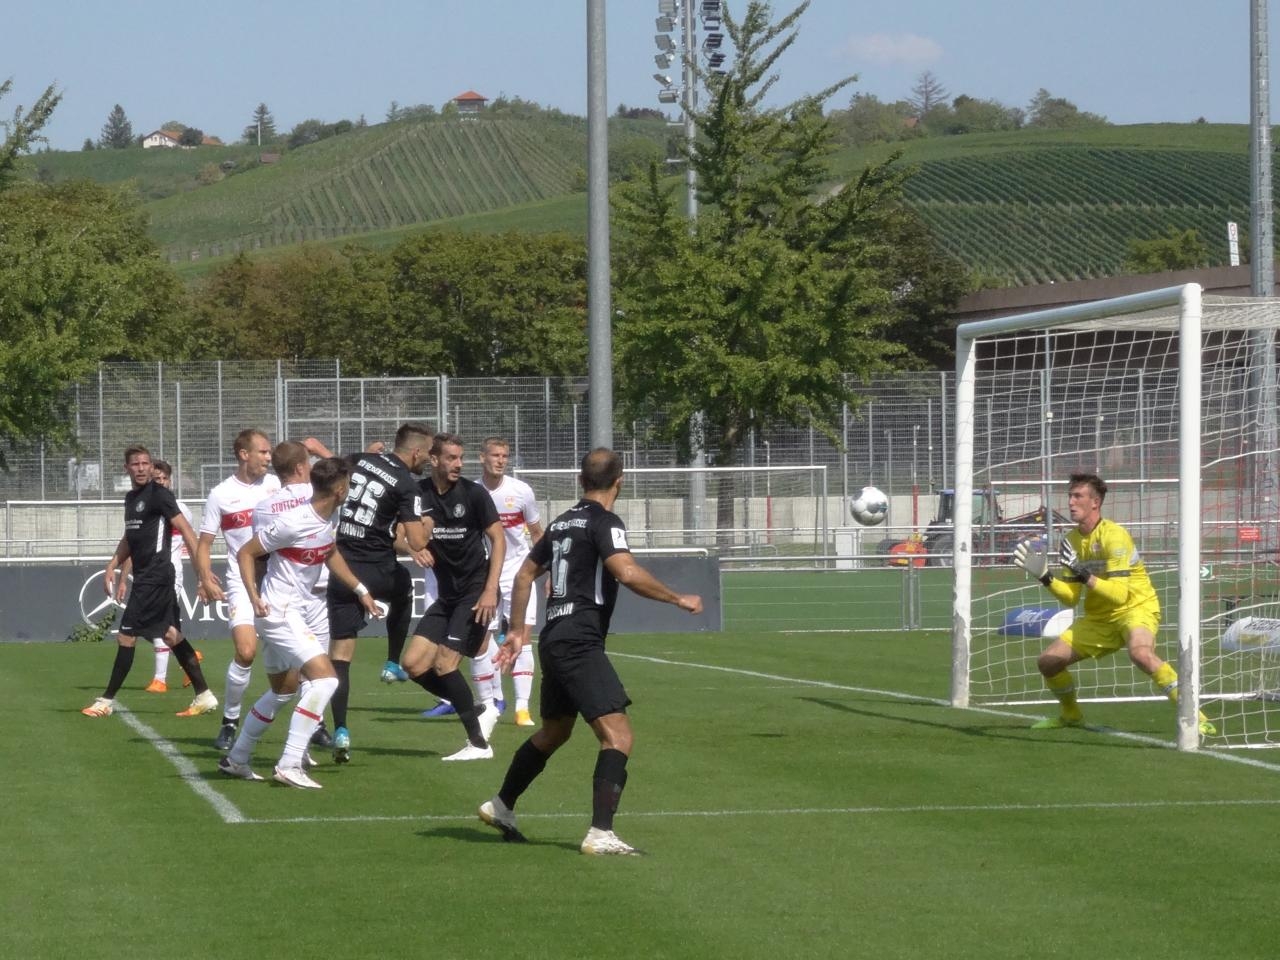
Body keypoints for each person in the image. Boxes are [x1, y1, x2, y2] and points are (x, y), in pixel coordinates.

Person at [477, 448, 703, 855]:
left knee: (555, 732)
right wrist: (676, 598)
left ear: (581, 481)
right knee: (618, 736)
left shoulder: (561, 523)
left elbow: (525, 575)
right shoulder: (605, 522)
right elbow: (626, 571)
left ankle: (501, 805)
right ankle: (601, 834)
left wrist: (517, 631)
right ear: (620, 481)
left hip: (555, 637)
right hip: (579, 641)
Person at [1013, 472, 1216, 736]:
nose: (1071, 502)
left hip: (1135, 608)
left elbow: (1120, 595)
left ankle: (1196, 716)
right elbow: (1071, 598)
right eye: (1070, 496)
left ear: (1095, 502)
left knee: (1141, 653)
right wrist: (1045, 577)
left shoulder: (1115, 536)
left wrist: (1083, 573)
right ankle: (1071, 716)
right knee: (1048, 662)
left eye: (1078, 496)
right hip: (1099, 618)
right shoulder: (1070, 541)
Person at [220, 457, 379, 788]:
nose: (349, 490)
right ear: (339, 490)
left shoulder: (329, 517)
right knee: (326, 680)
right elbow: (246, 552)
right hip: (280, 612)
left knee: (283, 691)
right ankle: (290, 763)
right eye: (348, 485)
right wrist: (253, 597)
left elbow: (329, 551)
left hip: (291, 611)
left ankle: (237, 758)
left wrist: (361, 590)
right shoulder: (293, 522)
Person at [82, 445, 219, 719]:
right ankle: (204, 695)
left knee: (126, 636)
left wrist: (203, 575)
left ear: (151, 467)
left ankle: (106, 701)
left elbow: (187, 531)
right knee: (170, 634)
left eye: (146, 463)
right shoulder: (131, 498)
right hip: (148, 576)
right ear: (127, 468)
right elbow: (129, 538)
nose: (142, 468)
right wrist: (112, 565)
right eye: (136, 464)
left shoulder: (160, 495)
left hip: (156, 577)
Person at [326, 423, 432, 763]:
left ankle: (341, 730)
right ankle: (391, 662)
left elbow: (336, 467)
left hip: (342, 567)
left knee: (340, 656)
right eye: (428, 454)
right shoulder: (407, 484)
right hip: (377, 568)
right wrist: (428, 524)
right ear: (416, 451)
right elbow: (417, 542)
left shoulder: (361, 459)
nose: (428, 460)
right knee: (404, 589)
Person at [401, 432, 505, 761]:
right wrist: (412, 548)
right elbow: (397, 536)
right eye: (451, 458)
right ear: (433, 460)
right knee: (412, 665)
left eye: (461, 458)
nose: (459, 464)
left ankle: (479, 744)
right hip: (447, 597)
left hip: (475, 592)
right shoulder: (417, 494)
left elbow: (499, 540)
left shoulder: (474, 494)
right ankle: (473, 707)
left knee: (445, 664)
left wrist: (490, 589)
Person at [195, 429, 280, 751]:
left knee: (293, 658)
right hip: (240, 582)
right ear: (244, 454)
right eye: (263, 451)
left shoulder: (276, 486)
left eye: (270, 452)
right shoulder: (221, 494)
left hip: (276, 581)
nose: (268, 457)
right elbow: (204, 543)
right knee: (245, 652)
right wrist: (205, 577)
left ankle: (315, 724)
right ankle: (230, 720)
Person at [251, 440, 335, 748]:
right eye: (308, 463)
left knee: (287, 684)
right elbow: (341, 477)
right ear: (301, 467)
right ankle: (301, 744)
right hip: (313, 593)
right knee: (319, 675)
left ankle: (245, 748)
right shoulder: (319, 494)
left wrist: (257, 595)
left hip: (277, 594)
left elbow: (260, 555)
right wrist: (323, 451)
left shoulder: (263, 507)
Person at [143, 459, 201, 693]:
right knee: (147, 625)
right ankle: (189, 655)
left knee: (161, 624)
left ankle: (160, 680)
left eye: (163, 479)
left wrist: (202, 575)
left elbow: (191, 539)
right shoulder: (145, 505)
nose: (160, 482)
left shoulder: (180, 508)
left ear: (169, 481)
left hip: (170, 573)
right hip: (150, 574)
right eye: (155, 479)